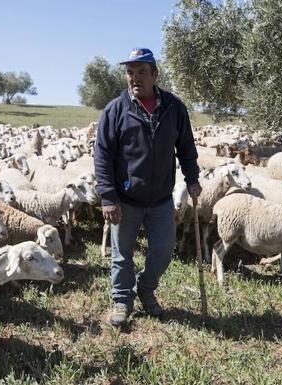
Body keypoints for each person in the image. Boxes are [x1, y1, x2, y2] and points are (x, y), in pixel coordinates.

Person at [94, 48, 202, 327]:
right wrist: (108, 196)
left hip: (161, 199)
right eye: (130, 72)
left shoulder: (174, 108)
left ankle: (145, 287)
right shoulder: (116, 110)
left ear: (155, 74)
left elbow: (186, 147)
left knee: (164, 251)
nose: (135, 78)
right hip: (126, 198)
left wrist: (192, 178)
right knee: (122, 254)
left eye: (141, 72)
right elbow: (102, 154)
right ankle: (121, 299)